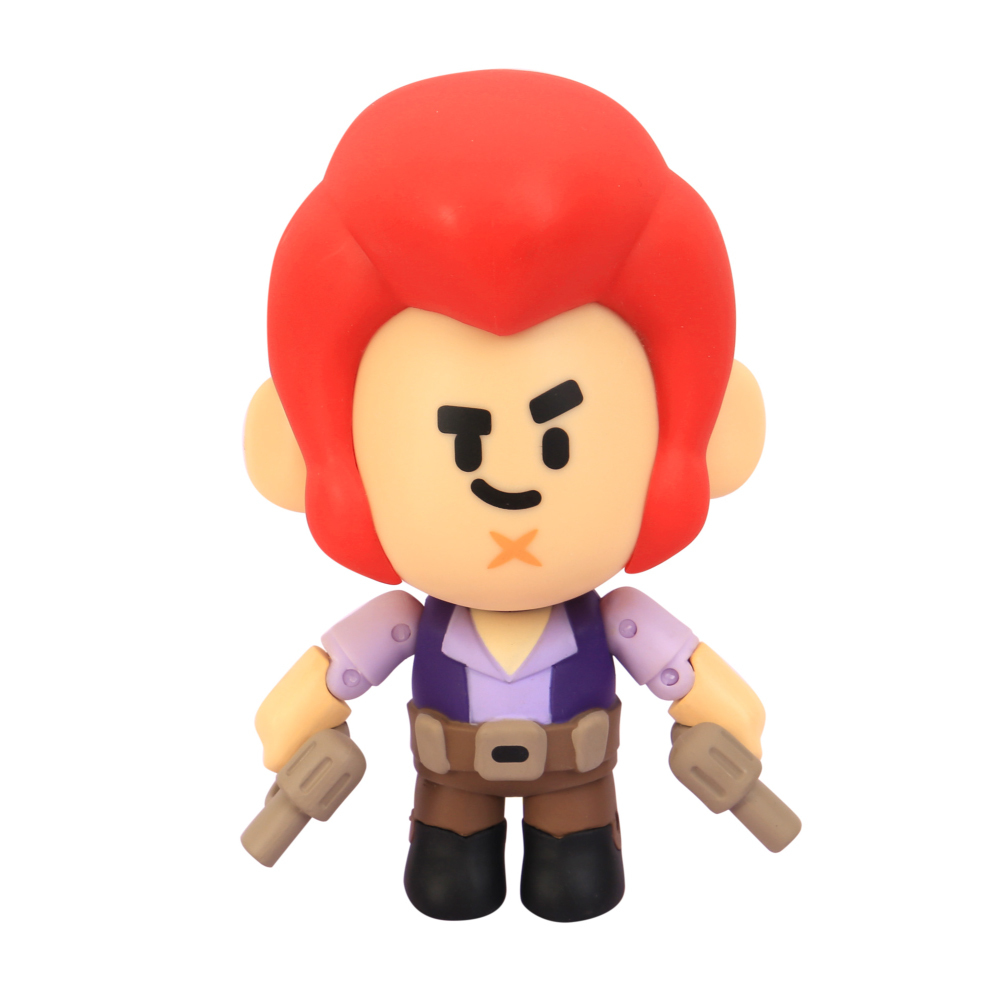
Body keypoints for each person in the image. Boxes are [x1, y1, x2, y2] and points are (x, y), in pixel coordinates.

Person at [243, 69, 770, 922]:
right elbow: (328, 677)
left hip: (578, 786)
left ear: (713, 433)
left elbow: (687, 675)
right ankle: (457, 852)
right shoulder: (406, 623)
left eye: (559, 440)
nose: (512, 486)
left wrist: (732, 716)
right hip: (450, 788)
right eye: (462, 443)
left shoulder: (617, 620)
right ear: (299, 452)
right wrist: (292, 723)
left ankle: (574, 853)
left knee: (578, 886)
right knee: (449, 885)